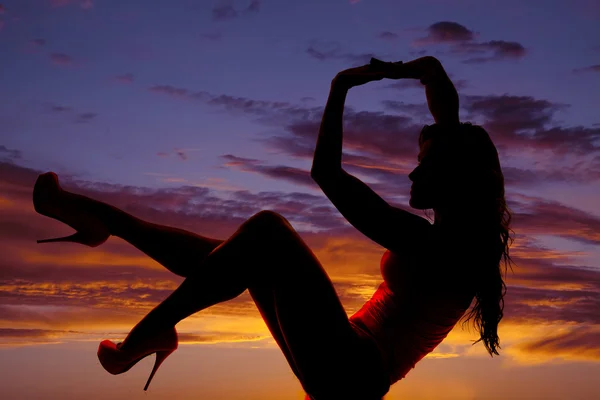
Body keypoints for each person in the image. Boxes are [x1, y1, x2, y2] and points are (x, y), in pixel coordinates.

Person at [32, 55, 513, 400]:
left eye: (425, 166)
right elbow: (442, 95)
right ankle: (102, 220)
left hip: (354, 370)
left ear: (456, 179)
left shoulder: (438, 246)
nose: (412, 173)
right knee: (238, 256)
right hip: (343, 358)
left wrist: (340, 88)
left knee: (268, 232)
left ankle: (154, 328)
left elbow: (327, 174)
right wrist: (412, 71)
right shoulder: (456, 230)